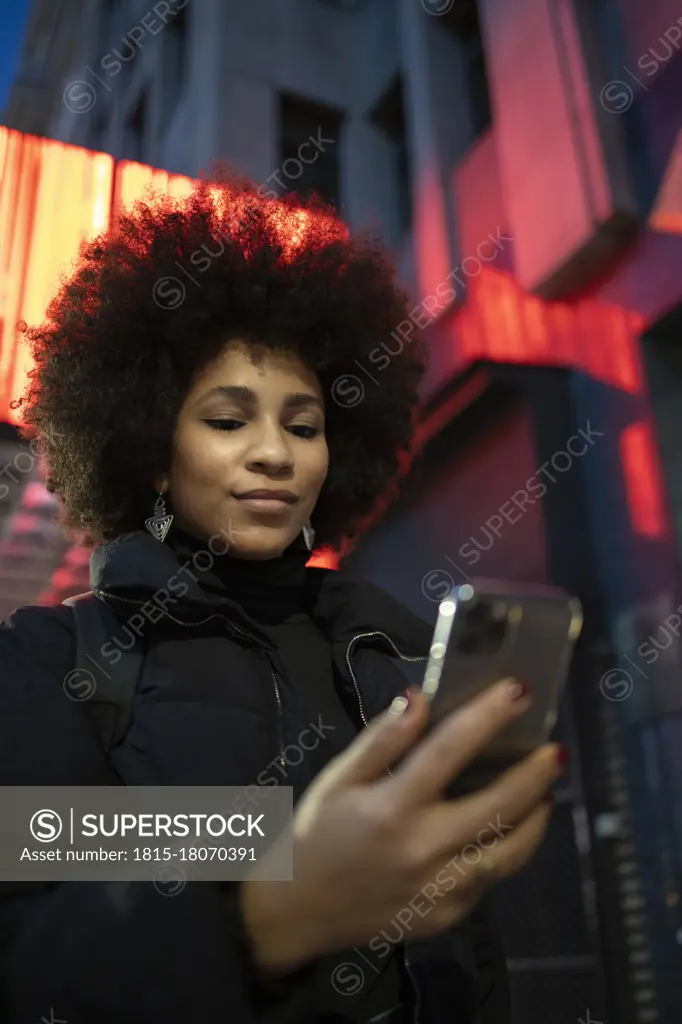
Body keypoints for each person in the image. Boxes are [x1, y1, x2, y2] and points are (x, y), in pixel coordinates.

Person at [0, 175, 564, 1024]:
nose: (275, 454)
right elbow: (33, 945)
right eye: (228, 422)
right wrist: (273, 904)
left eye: (304, 427)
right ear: (152, 450)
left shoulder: (399, 647)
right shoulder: (52, 663)